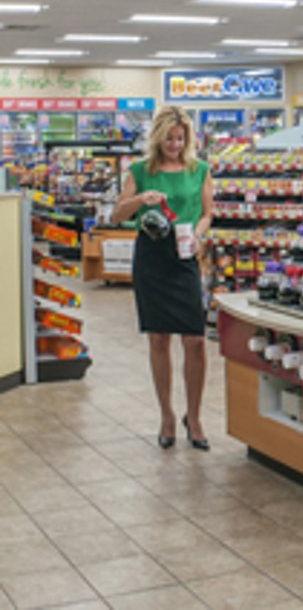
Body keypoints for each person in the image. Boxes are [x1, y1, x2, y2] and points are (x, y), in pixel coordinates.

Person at [112, 106, 214, 450]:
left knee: (195, 340)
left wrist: (198, 235)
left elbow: (207, 213)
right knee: (158, 339)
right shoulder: (140, 171)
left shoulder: (200, 170)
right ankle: (167, 416)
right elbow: (117, 214)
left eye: (180, 138)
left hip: (184, 256)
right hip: (152, 257)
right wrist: (140, 199)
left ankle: (195, 417)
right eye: (169, 138)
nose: (174, 143)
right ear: (158, 138)